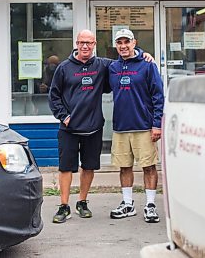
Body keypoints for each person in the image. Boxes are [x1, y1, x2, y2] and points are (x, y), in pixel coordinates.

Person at [48, 29, 153, 224]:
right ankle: (64, 206)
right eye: (82, 43)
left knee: (88, 167)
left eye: (89, 42)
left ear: (94, 44)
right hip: (69, 129)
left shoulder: (104, 65)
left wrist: (143, 53)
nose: (85, 46)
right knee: (65, 168)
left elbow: (126, 58)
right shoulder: (63, 68)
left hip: (93, 128)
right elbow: (53, 96)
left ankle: (82, 202)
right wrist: (64, 116)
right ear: (77, 44)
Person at [107, 28, 164, 223]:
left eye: (127, 42)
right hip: (121, 127)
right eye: (119, 42)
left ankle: (150, 205)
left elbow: (158, 95)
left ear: (134, 43)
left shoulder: (147, 65)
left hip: (144, 126)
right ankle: (128, 204)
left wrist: (157, 125)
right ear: (116, 45)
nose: (123, 46)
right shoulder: (113, 67)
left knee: (148, 166)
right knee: (124, 167)